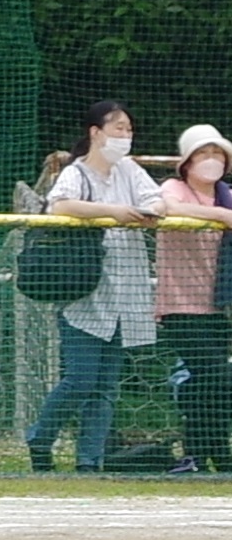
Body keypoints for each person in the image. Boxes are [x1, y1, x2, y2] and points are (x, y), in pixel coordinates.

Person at [31, 100, 161, 476]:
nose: (126, 135)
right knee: (80, 379)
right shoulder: (77, 172)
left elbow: (155, 198)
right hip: (85, 293)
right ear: (95, 132)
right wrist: (112, 212)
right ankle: (40, 438)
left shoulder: (129, 169)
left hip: (125, 294)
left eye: (129, 129)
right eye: (119, 128)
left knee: (105, 387)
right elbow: (59, 206)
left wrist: (152, 210)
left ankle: (90, 461)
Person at [158, 124, 232, 473]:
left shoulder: (227, 195)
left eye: (217, 153)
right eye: (204, 153)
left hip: (218, 306)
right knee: (213, 375)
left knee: (211, 382)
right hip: (180, 305)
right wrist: (220, 216)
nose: (212, 160)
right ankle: (203, 452)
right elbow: (168, 209)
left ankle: (206, 454)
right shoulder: (175, 188)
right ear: (187, 161)